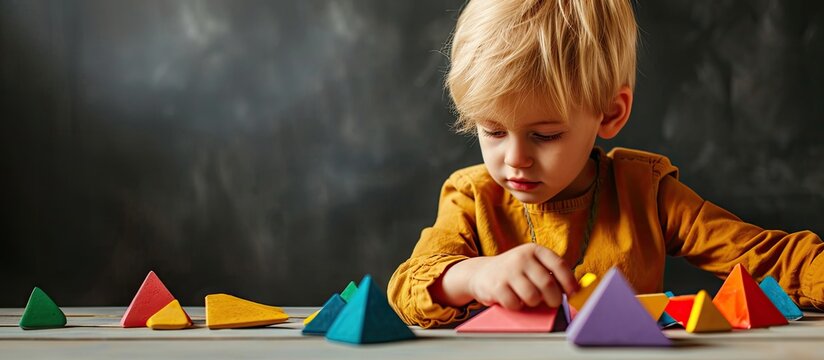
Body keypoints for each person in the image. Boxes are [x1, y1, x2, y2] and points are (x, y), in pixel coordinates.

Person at [387, 0, 824, 328]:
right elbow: (407, 288)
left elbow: (767, 257)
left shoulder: (645, 192)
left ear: (611, 113)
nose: (515, 158)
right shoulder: (471, 197)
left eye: (545, 135)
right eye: (493, 131)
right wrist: (474, 276)